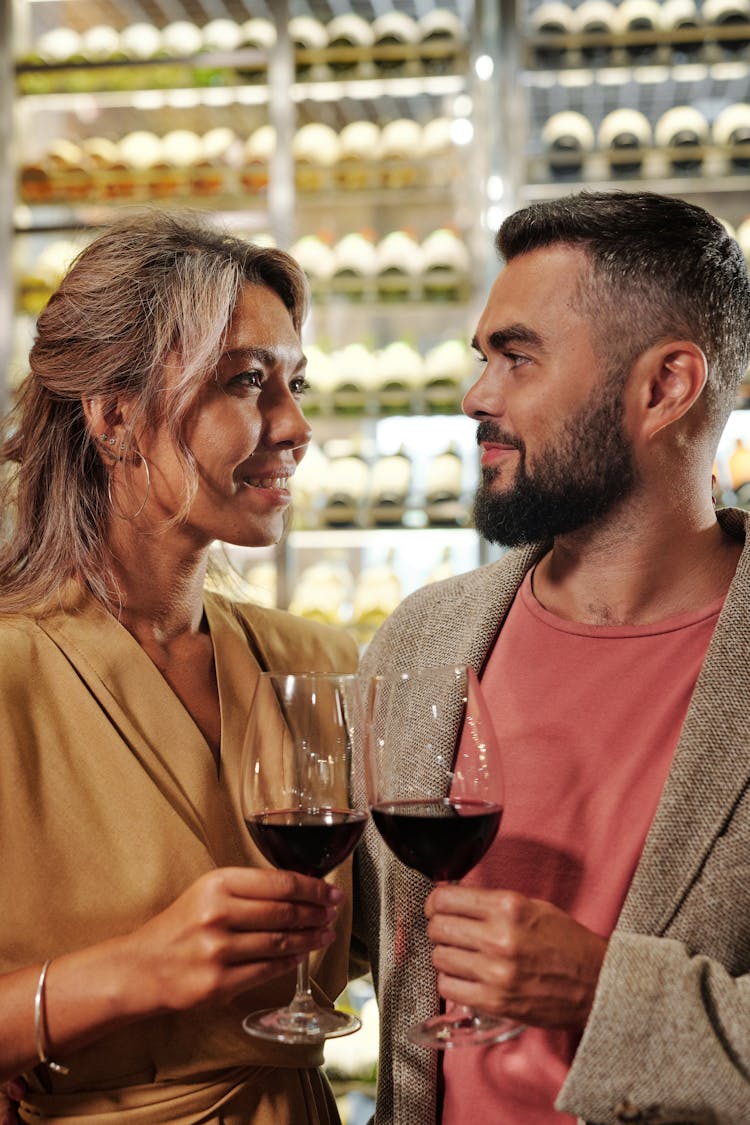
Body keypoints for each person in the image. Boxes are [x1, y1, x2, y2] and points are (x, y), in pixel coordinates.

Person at [355, 190, 750, 1124]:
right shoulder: (424, 637)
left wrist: (605, 990)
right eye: (482, 357)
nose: (477, 396)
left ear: (665, 387)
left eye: (517, 356)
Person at [0, 210, 359, 1124]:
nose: (297, 425)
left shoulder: (316, 661)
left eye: (296, 382)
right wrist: (130, 973)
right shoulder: (11, 674)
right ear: (115, 416)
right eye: (248, 382)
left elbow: (384, 949)